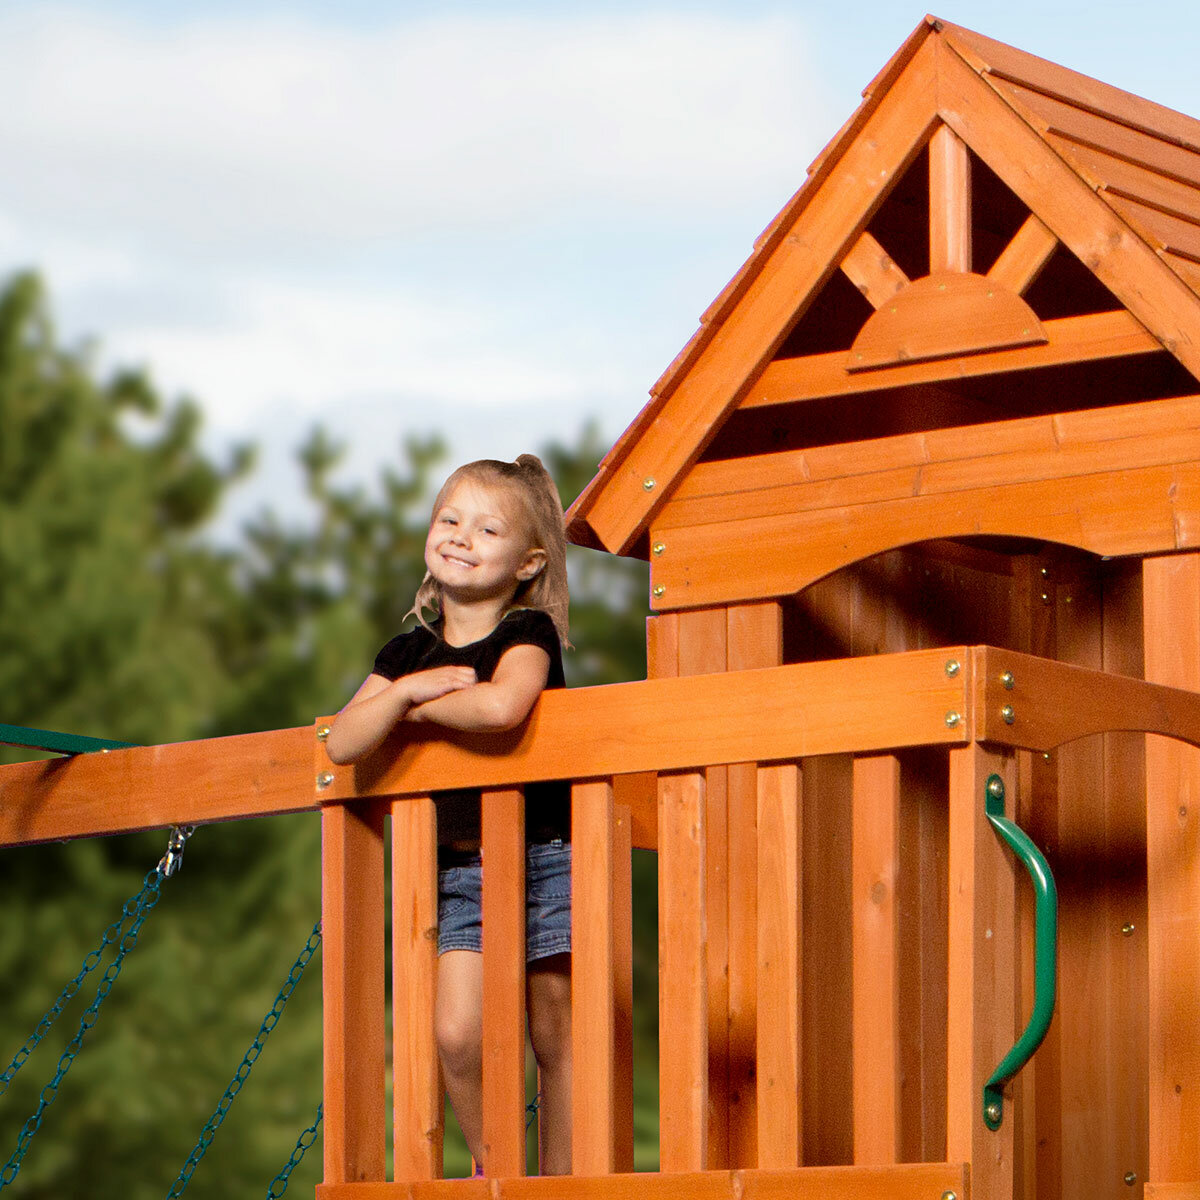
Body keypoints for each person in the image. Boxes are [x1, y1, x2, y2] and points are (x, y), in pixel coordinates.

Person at [325, 454, 572, 1177]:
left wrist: (415, 709)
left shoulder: (527, 632)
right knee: (458, 1033)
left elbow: (502, 706)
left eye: (488, 529)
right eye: (449, 520)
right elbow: (342, 741)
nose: (462, 536)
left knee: (555, 1027)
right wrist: (405, 692)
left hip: (545, 855)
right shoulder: (407, 653)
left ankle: (565, 1179)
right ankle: (498, 1172)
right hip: (460, 871)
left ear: (527, 563)